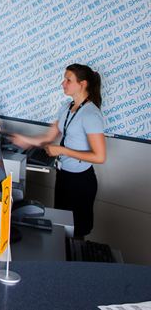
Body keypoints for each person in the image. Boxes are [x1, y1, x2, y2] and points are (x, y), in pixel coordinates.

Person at [11, 64, 106, 239]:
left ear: (83, 84)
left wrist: (62, 150)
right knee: (62, 229)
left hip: (80, 182)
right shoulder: (67, 107)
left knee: (75, 234)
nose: (63, 83)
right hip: (63, 176)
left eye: (68, 80)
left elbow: (99, 156)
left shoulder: (91, 114)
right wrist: (25, 140)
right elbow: (49, 137)